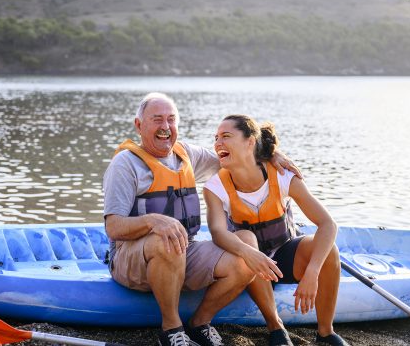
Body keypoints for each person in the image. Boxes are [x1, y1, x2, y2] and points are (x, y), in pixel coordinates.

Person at [103, 93, 301, 346]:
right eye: (157, 120)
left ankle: (199, 323)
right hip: (131, 257)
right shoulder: (125, 164)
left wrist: (272, 155)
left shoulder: (187, 154)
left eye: (171, 120)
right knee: (168, 237)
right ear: (140, 125)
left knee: (245, 249)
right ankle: (171, 329)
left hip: (184, 251)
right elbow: (113, 227)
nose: (165, 127)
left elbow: (236, 155)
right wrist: (154, 221)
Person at [203, 114, 349, 346]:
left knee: (329, 250)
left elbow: (328, 224)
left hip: (284, 255)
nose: (218, 143)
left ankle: (325, 332)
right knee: (247, 239)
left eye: (226, 136)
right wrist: (249, 253)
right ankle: (276, 327)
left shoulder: (281, 174)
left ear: (250, 142)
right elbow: (218, 233)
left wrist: (312, 272)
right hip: (247, 266)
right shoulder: (215, 186)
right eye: (216, 138)